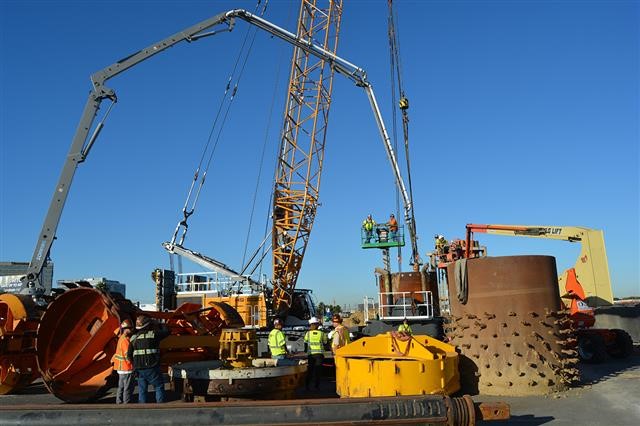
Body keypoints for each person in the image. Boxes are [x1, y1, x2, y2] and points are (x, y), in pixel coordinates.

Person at [128, 315, 170, 404]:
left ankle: (142, 408)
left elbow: (129, 355)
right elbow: (167, 331)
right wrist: (159, 323)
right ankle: (160, 406)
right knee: (159, 386)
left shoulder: (133, 338)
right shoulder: (153, 334)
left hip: (139, 369)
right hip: (152, 367)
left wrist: (135, 366)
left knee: (142, 389)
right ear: (148, 325)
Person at [111, 319, 134, 404]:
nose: (131, 330)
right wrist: (134, 365)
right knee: (127, 387)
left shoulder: (121, 338)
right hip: (126, 368)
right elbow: (128, 355)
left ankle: (119, 402)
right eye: (130, 328)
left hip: (121, 368)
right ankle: (126, 403)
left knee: (121, 387)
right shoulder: (125, 340)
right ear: (125, 329)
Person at [303, 317, 328, 390]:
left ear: (311, 324)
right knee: (318, 371)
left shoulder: (307, 334)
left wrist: (305, 350)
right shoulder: (322, 333)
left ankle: (307, 386)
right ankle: (317, 386)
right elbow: (325, 343)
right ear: (317, 325)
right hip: (319, 354)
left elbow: (305, 343)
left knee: (310, 370)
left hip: (311, 354)